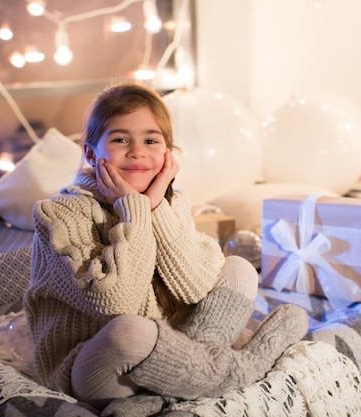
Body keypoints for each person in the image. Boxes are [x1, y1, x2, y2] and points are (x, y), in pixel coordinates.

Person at [23, 82, 308, 414]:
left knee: (239, 270)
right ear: (90, 153)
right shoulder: (59, 214)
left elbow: (196, 287)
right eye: (120, 139)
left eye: (151, 140)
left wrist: (156, 208)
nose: (137, 151)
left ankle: (158, 397)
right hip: (97, 365)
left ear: (168, 154)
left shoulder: (171, 202)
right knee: (131, 331)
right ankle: (244, 368)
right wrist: (134, 210)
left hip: (173, 349)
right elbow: (118, 302)